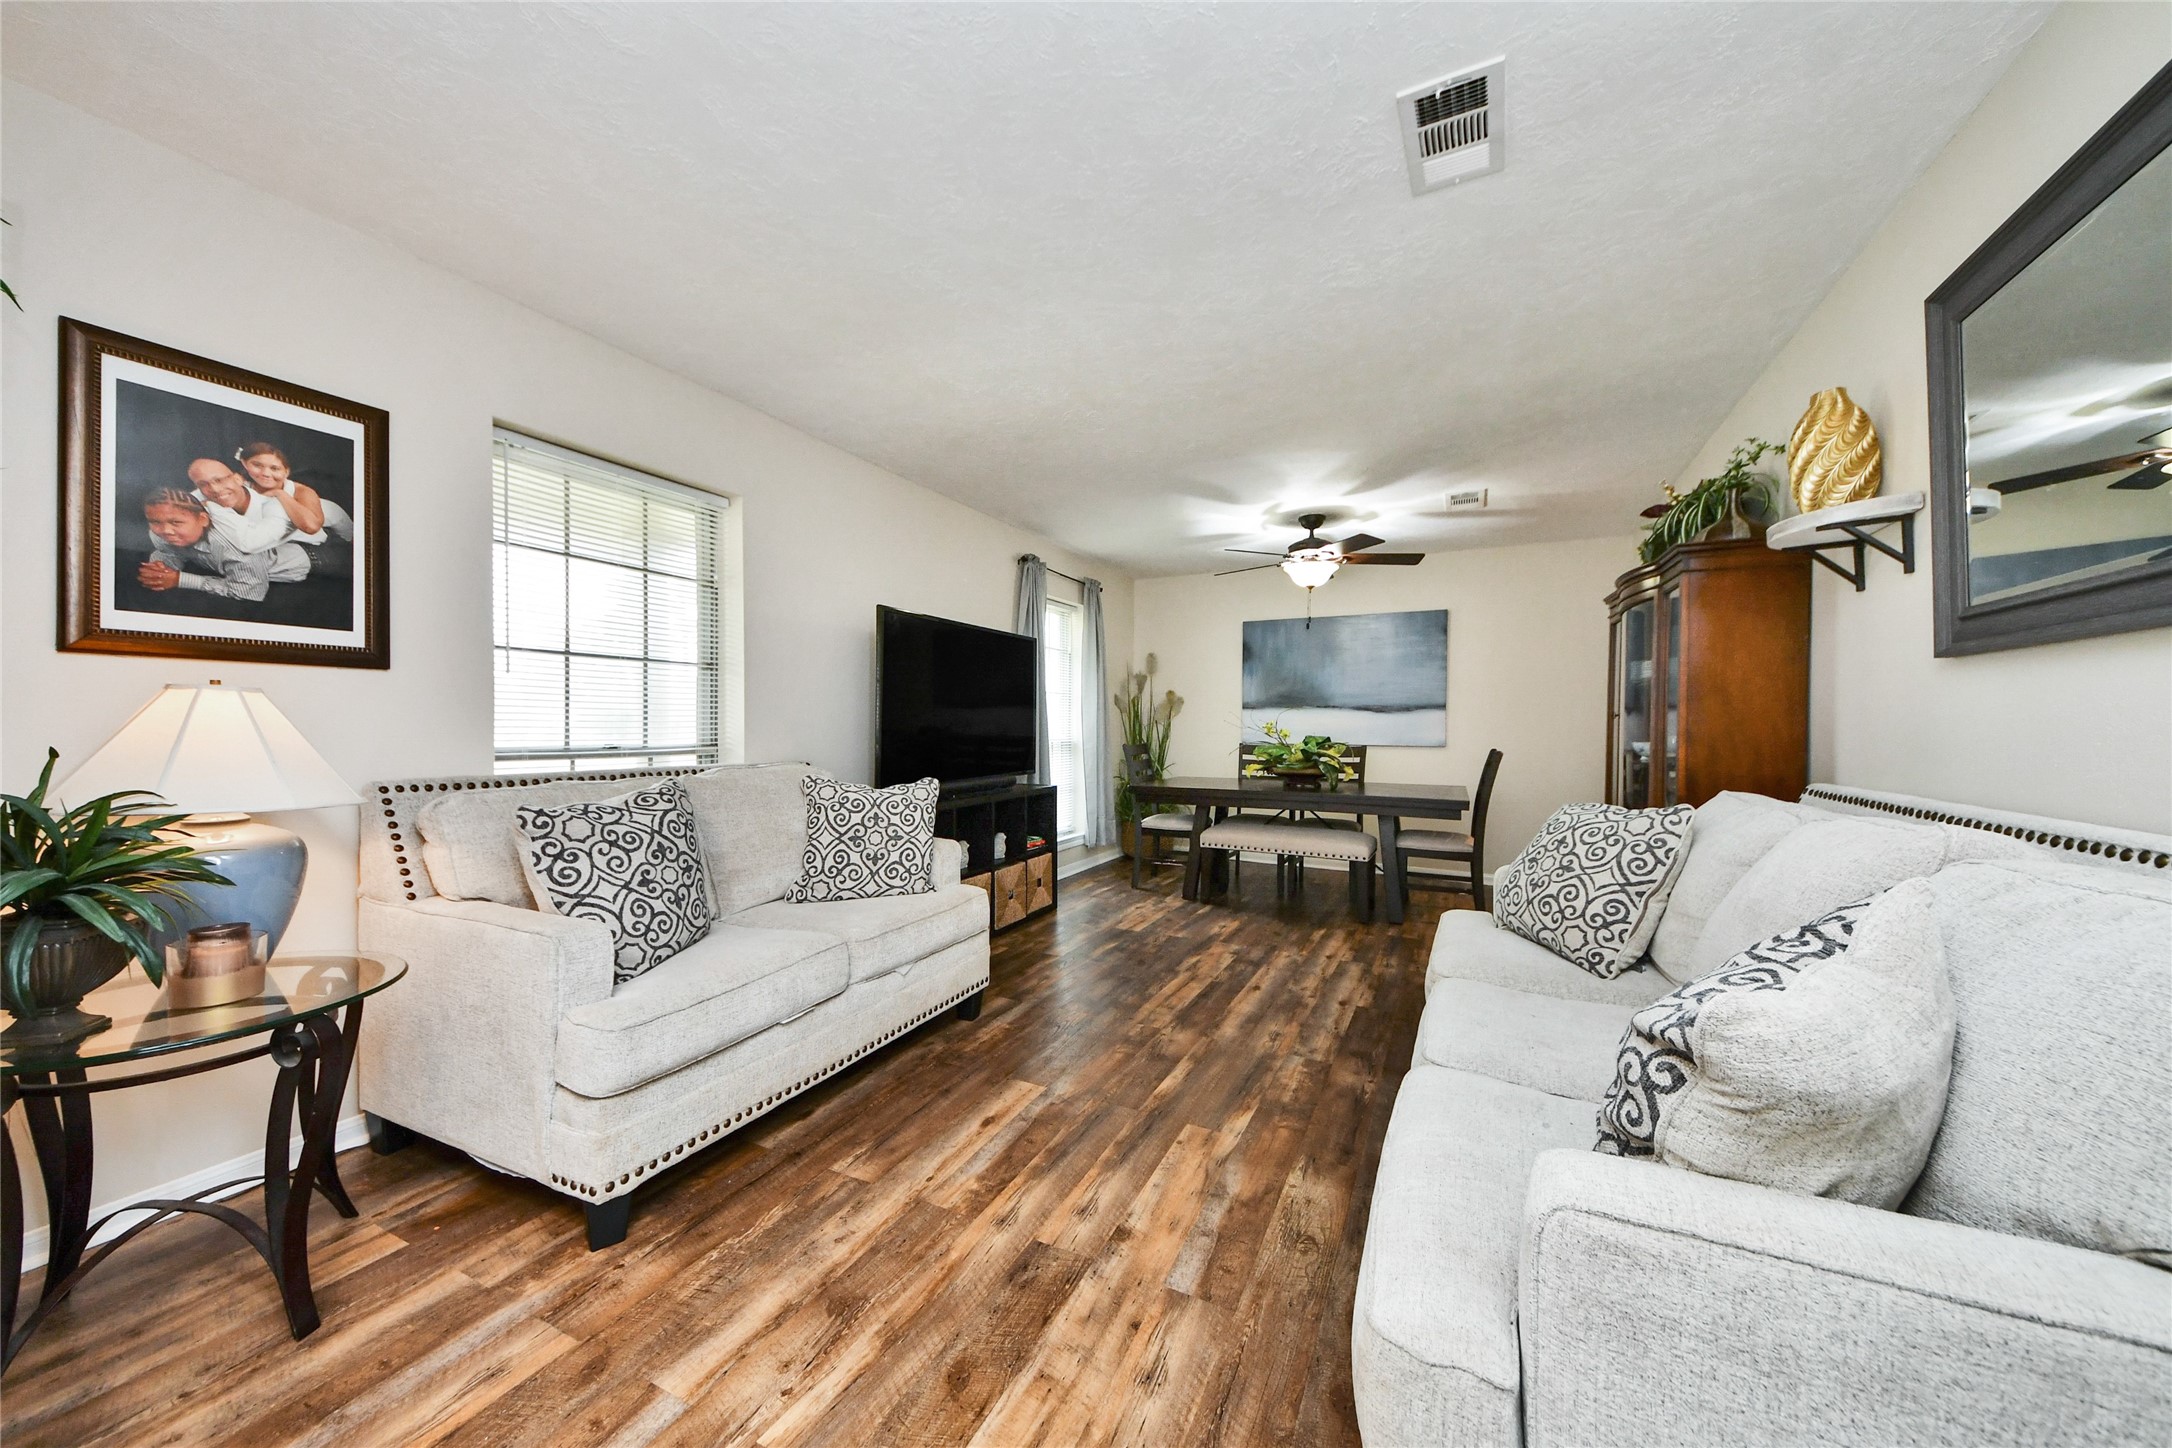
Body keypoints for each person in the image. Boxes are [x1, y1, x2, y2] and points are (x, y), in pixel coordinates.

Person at [139, 487, 310, 603]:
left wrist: (180, 579)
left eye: (176, 522)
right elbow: (168, 551)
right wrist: (159, 567)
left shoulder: (234, 547)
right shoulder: (159, 533)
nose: (165, 530)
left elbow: (249, 591)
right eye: (155, 522)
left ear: (203, 520)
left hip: (311, 557)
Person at [237, 441, 355, 543]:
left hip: (332, 530)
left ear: (286, 472)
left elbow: (311, 526)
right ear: (244, 463)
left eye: (275, 468)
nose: (265, 473)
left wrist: (279, 493)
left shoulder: (302, 491)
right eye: (257, 465)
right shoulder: (242, 486)